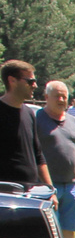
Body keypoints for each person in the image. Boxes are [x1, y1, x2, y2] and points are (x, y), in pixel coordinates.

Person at [34, 80, 75, 238]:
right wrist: (46, 185)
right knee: (49, 229)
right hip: (46, 186)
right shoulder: (37, 119)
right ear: (46, 97)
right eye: (57, 96)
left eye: (64, 96)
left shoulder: (73, 121)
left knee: (69, 229)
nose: (61, 100)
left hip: (72, 184)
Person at [0, 59, 48, 188]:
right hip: (5, 194)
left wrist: (50, 188)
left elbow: (38, 155)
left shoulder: (29, 113)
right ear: (12, 81)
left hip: (30, 191)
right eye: (30, 81)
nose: (35, 85)